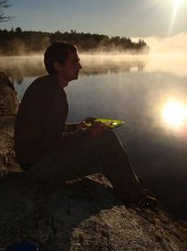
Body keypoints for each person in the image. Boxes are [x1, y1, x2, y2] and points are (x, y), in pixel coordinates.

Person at [14, 42, 157, 207]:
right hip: (39, 167)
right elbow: (56, 143)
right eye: (74, 62)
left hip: (31, 161)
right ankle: (133, 196)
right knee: (107, 140)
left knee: (101, 145)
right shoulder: (55, 94)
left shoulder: (43, 84)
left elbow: (46, 129)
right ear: (58, 66)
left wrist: (77, 127)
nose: (80, 66)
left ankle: (126, 178)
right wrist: (90, 134)